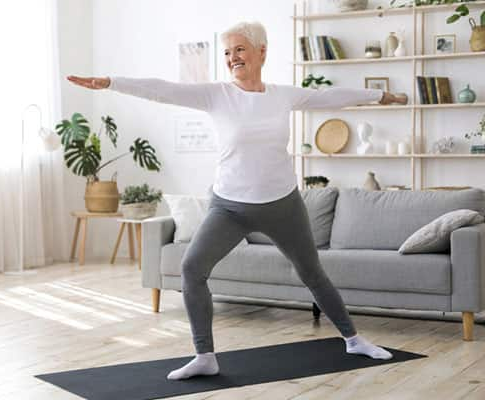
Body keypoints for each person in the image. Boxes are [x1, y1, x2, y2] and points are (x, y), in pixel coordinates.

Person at [67, 21, 406, 381]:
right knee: (192, 270)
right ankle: (205, 356)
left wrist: (382, 97)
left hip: (283, 205)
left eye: (240, 49)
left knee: (312, 274)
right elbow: (162, 91)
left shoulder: (282, 95)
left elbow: (332, 96)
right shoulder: (216, 95)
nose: (232, 58)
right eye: (227, 52)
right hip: (229, 206)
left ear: (262, 52)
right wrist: (111, 83)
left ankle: (353, 340)